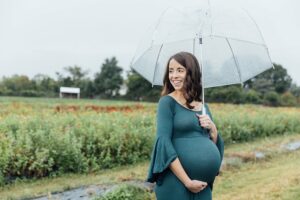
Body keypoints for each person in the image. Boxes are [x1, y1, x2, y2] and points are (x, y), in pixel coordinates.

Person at [146, 52, 224, 200]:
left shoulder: (203, 106)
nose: (173, 75)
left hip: (203, 186)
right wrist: (187, 182)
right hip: (176, 183)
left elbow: (209, 144)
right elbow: (163, 143)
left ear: (191, 73)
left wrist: (213, 130)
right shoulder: (167, 103)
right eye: (171, 70)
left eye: (180, 70)